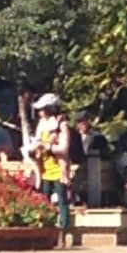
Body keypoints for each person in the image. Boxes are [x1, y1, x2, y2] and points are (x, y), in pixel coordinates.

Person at [31, 93, 74, 243]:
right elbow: (36, 141)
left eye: (42, 108)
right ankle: (44, 230)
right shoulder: (41, 124)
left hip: (58, 169)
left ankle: (63, 232)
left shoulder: (61, 125)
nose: (40, 112)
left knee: (62, 201)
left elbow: (64, 148)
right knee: (44, 200)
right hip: (44, 170)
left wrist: (47, 146)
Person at [75, 111, 109, 205]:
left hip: (94, 165)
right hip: (79, 163)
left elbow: (104, 150)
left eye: (85, 122)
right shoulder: (73, 136)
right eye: (81, 123)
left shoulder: (98, 137)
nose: (83, 125)